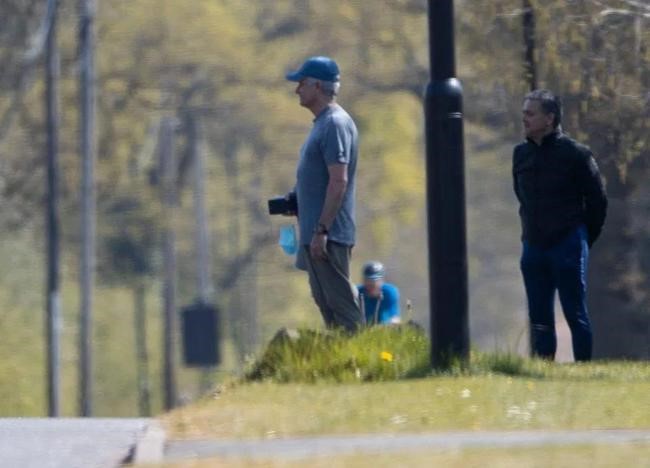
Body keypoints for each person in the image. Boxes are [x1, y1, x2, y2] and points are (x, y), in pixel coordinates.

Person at [513, 89, 607, 361]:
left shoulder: (577, 155)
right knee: (539, 316)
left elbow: (597, 202)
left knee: (575, 313)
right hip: (533, 246)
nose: (525, 119)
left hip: (567, 242)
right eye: (523, 114)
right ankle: (543, 369)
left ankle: (584, 370)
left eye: (530, 114)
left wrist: (582, 239)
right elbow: (522, 197)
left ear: (549, 118)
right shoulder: (520, 154)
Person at [285, 56, 363, 332]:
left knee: (342, 306)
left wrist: (322, 230)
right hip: (315, 233)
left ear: (317, 86)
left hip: (329, 234)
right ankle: (343, 365)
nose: (297, 90)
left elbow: (338, 181)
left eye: (301, 83)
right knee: (326, 303)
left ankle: (362, 364)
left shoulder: (335, 124)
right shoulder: (321, 124)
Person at [357, 261, 401, 326]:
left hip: (384, 328)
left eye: (374, 281)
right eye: (367, 280)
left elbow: (394, 317)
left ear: (382, 280)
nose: (370, 284)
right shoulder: (357, 292)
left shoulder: (389, 292)